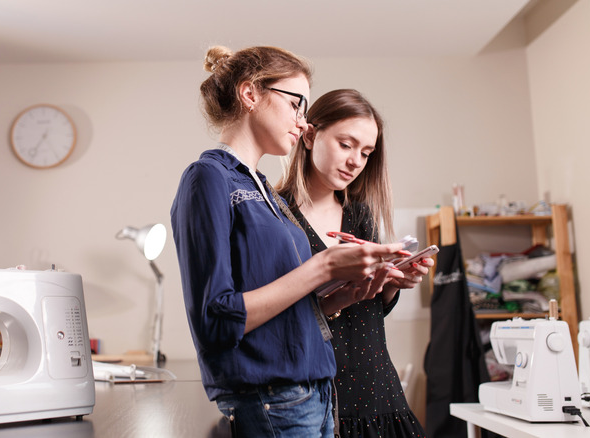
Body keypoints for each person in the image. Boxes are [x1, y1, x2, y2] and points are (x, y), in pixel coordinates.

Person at [171, 46, 408, 437]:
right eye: (296, 105)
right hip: (273, 399)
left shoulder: (260, 187)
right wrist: (325, 267)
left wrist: (344, 296)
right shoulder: (208, 177)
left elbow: (286, 313)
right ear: (250, 95)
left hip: (316, 393)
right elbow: (216, 320)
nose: (302, 122)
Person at [277, 89, 432, 437]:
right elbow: (279, 316)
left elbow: (371, 310)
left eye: (365, 152)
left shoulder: (359, 214)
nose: (355, 162)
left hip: (381, 394)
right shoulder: (276, 216)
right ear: (310, 135)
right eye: (346, 145)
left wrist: (394, 282)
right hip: (318, 404)